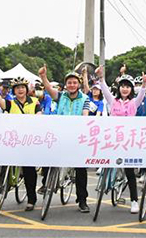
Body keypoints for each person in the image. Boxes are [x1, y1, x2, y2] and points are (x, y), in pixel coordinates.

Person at [39, 65, 91, 212]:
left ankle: (82, 200)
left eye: (75, 82)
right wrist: (43, 77)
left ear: (79, 84)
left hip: (77, 138)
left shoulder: (85, 99)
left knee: (81, 170)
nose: (72, 85)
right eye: (69, 82)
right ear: (66, 85)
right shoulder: (61, 96)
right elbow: (49, 89)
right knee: (48, 157)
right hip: (59, 136)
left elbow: (85, 116)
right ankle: (45, 183)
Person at [97, 65, 146, 214]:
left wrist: (144, 84)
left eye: (128, 87)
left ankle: (134, 201)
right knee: (106, 165)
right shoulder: (113, 101)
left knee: (129, 172)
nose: (125, 89)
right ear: (119, 88)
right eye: (122, 86)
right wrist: (101, 77)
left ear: (132, 89)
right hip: (113, 140)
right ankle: (107, 185)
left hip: (128, 143)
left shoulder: (134, 103)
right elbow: (105, 89)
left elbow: (142, 95)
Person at [0, 76, 42, 211]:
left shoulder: (35, 102)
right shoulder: (11, 103)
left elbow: (40, 115)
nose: (20, 90)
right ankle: (1, 184)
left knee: (29, 171)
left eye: (22, 87)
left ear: (26, 89)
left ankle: (31, 199)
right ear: (14, 90)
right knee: (1, 160)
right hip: (12, 140)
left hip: (28, 142)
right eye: (17, 88)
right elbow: (0, 102)